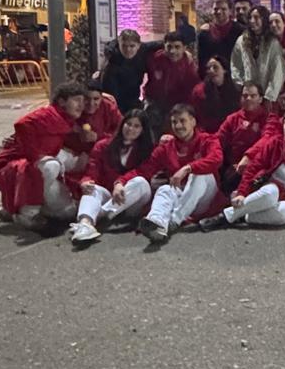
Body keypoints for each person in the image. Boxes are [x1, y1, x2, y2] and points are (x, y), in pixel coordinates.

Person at [200, 106, 285, 231]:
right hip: (273, 187)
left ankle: (244, 215)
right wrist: (242, 192)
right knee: (269, 194)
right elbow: (254, 167)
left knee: (283, 215)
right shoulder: (275, 143)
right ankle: (225, 217)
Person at [0, 82, 87, 229]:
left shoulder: (66, 119)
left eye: (82, 101)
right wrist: (35, 155)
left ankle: (11, 208)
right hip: (16, 162)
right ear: (62, 101)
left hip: (41, 158)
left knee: (67, 212)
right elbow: (21, 124)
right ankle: (27, 213)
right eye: (76, 100)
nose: (81, 105)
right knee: (50, 166)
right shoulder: (49, 114)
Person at [136, 104, 224, 245]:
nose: (178, 126)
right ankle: (156, 223)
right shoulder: (166, 147)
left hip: (204, 199)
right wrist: (120, 182)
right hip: (182, 196)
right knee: (165, 189)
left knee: (199, 175)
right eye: (174, 122)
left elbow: (216, 159)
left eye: (182, 121)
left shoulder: (208, 140)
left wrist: (188, 168)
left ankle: (174, 221)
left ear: (193, 122)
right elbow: (145, 169)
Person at [70, 108, 156, 247]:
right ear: (122, 124)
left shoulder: (147, 149)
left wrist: (120, 182)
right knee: (92, 188)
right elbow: (92, 169)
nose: (131, 129)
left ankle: (101, 213)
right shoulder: (103, 145)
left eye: (136, 126)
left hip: (132, 200)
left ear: (142, 130)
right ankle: (85, 225)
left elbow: (143, 172)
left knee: (141, 182)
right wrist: (85, 182)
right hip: (109, 194)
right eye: (128, 124)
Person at [143, 31, 199, 135]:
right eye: (169, 47)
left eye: (177, 47)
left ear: (184, 48)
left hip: (176, 105)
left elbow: (190, 92)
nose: (172, 51)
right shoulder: (155, 58)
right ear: (164, 46)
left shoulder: (189, 66)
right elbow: (140, 47)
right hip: (154, 102)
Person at [218, 81, 270, 191]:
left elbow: (267, 140)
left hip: (257, 167)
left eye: (253, 96)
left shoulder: (268, 119)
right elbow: (218, 139)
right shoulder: (233, 119)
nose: (248, 99)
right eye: (245, 96)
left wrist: (248, 157)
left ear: (260, 99)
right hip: (234, 168)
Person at [230, 5, 285, 104]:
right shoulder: (242, 41)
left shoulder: (272, 42)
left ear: (264, 19)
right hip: (248, 95)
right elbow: (235, 64)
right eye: (250, 18)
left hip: (267, 96)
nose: (252, 21)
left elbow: (278, 70)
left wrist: (269, 96)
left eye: (256, 17)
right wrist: (243, 86)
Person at [100, 28, 158, 114]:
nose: (128, 49)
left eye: (132, 46)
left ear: (138, 46)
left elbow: (161, 43)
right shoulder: (112, 58)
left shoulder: (143, 50)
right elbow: (109, 92)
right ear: (119, 45)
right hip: (115, 102)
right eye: (124, 46)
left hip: (134, 99)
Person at [191, 55, 243, 132]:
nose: (211, 71)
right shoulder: (199, 91)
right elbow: (197, 117)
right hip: (208, 133)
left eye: (215, 67)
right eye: (208, 68)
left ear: (224, 70)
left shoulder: (236, 90)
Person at [197, 0, 242, 74]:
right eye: (215, 9)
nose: (219, 12)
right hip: (212, 75)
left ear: (230, 11)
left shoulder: (240, 31)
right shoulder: (204, 33)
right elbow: (201, 60)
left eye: (223, 9)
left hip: (235, 76)